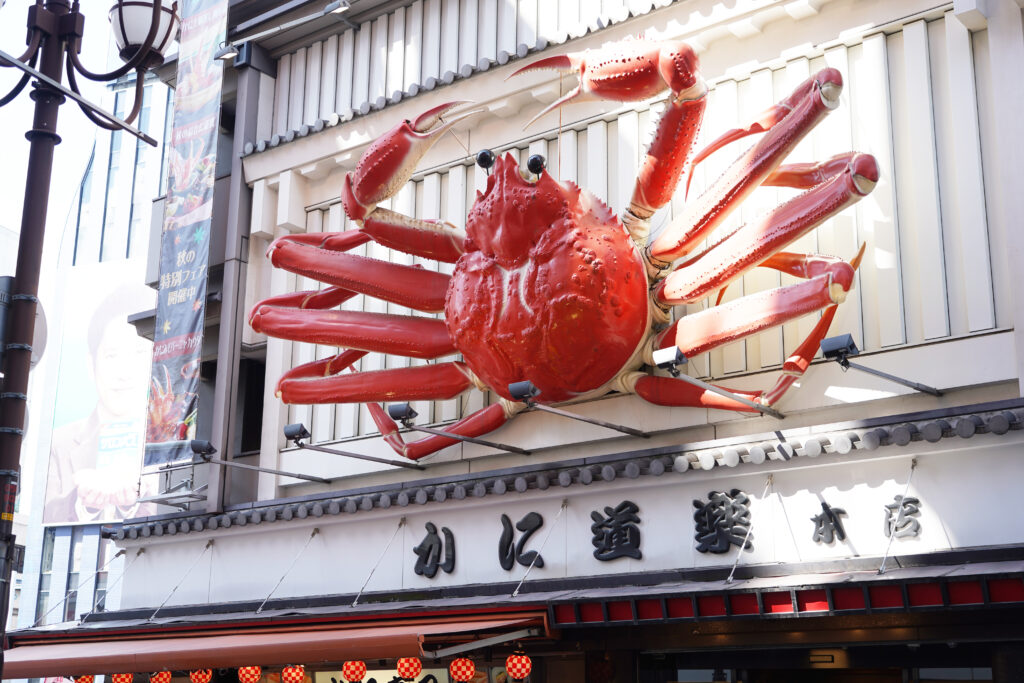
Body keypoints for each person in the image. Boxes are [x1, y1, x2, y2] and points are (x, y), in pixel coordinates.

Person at [43, 285, 156, 523]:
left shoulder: (175, 440)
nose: (124, 373)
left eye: (138, 352)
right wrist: (84, 503)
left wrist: (133, 504)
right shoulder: (59, 444)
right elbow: (44, 516)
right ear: (90, 364)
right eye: (112, 355)